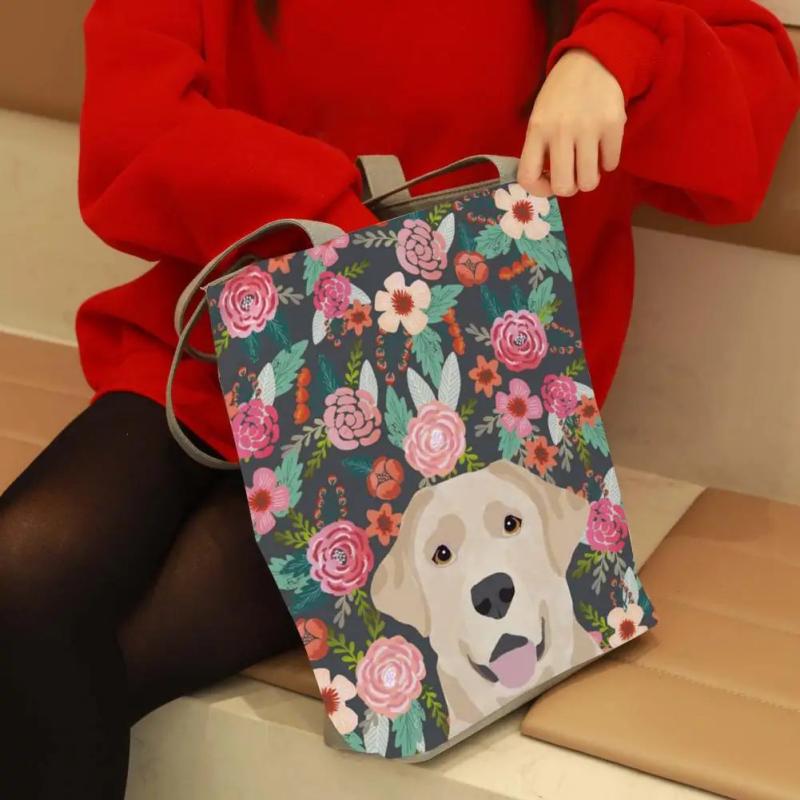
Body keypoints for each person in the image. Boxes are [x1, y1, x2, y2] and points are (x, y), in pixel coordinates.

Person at [0, 0, 797, 797]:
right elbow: (130, 123)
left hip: (445, 417)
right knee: (18, 576)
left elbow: (750, 95)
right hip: (223, 342)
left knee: (64, 667)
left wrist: (615, 55)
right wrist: (341, 226)